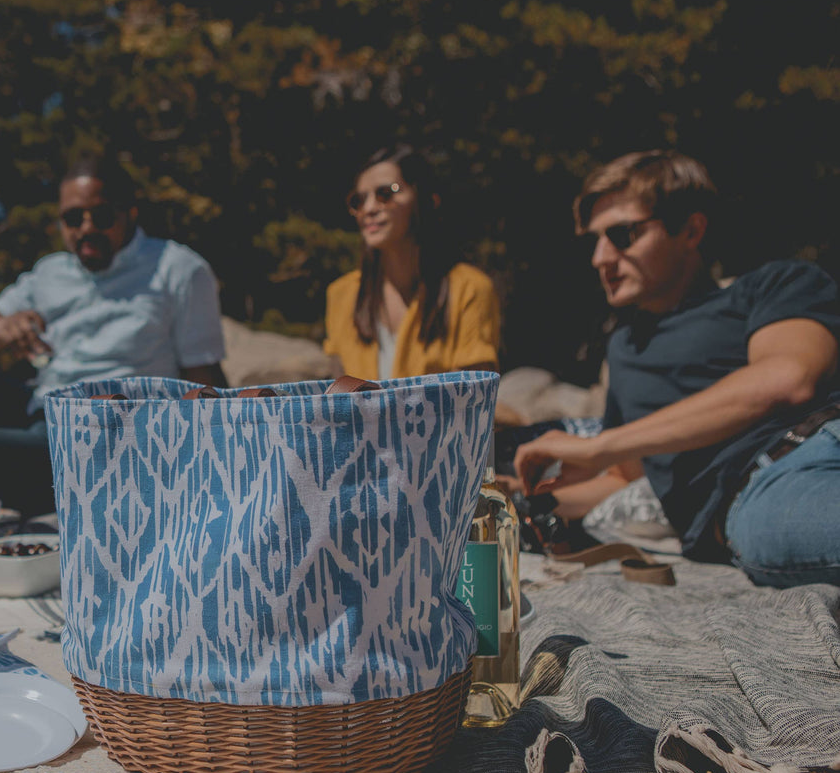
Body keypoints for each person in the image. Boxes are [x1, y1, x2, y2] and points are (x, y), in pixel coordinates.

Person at [513, 150, 840, 587]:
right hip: (762, 492)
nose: (600, 258)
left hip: (817, 440)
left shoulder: (772, 286)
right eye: (594, 240)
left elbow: (788, 377)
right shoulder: (625, 349)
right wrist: (514, 496)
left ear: (691, 229)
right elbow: (624, 477)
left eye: (622, 235)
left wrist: (600, 445)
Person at [0, 153, 227, 515]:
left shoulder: (177, 269)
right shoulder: (49, 272)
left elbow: (203, 376)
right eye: (72, 219)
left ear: (130, 212)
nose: (86, 229)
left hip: (117, 434)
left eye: (101, 216)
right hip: (41, 414)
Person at [323, 144, 501, 381]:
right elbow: (339, 398)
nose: (369, 208)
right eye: (358, 200)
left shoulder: (469, 289)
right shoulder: (341, 295)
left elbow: (474, 401)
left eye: (385, 193)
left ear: (425, 199)